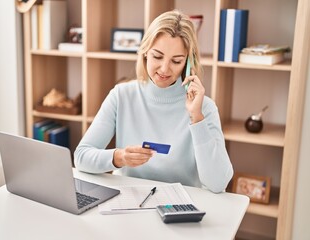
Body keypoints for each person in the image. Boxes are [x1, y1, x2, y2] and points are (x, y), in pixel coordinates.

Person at [74, 10, 233, 193]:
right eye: (157, 56)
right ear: (145, 53)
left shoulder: (205, 108)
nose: (164, 69)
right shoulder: (121, 95)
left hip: (179, 209)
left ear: (188, 63)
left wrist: (197, 118)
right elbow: (81, 157)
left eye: (176, 61)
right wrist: (119, 157)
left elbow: (218, 183)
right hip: (127, 204)